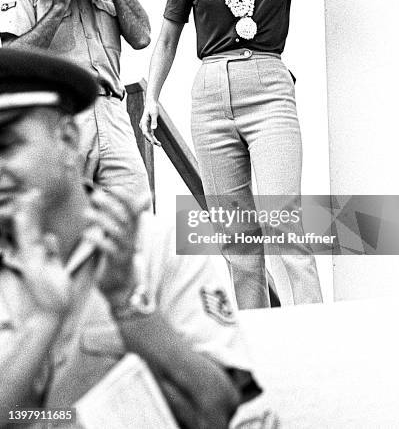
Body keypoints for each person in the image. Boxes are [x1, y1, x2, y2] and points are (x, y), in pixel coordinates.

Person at [0, 48, 243, 429]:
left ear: (67, 139)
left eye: (6, 145)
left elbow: (217, 412)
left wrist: (129, 303)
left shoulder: (158, 245)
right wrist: (45, 322)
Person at [140, 0, 333, 309]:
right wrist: (151, 98)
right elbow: (166, 37)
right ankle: (261, 352)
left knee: (283, 224)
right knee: (239, 243)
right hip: (210, 93)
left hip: (268, 87)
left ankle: (320, 340)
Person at [0, 0, 151, 206]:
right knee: (63, 224)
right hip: (61, 116)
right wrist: (56, 7)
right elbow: (8, 60)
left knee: (136, 219)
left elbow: (142, 36)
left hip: (113, 111)